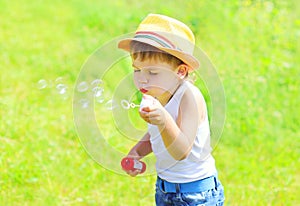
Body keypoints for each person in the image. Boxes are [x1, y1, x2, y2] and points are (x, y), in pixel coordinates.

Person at [118, 13, 225, 206]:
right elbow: (156, 134)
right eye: (137, 70)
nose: (142, 79)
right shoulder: (154, 93)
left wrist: (164, 120)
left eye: (153, 72)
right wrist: (136, 152)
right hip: (165, 189)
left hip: (196, 194)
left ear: (180, 72)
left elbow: (181, 151)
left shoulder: (189, 98)